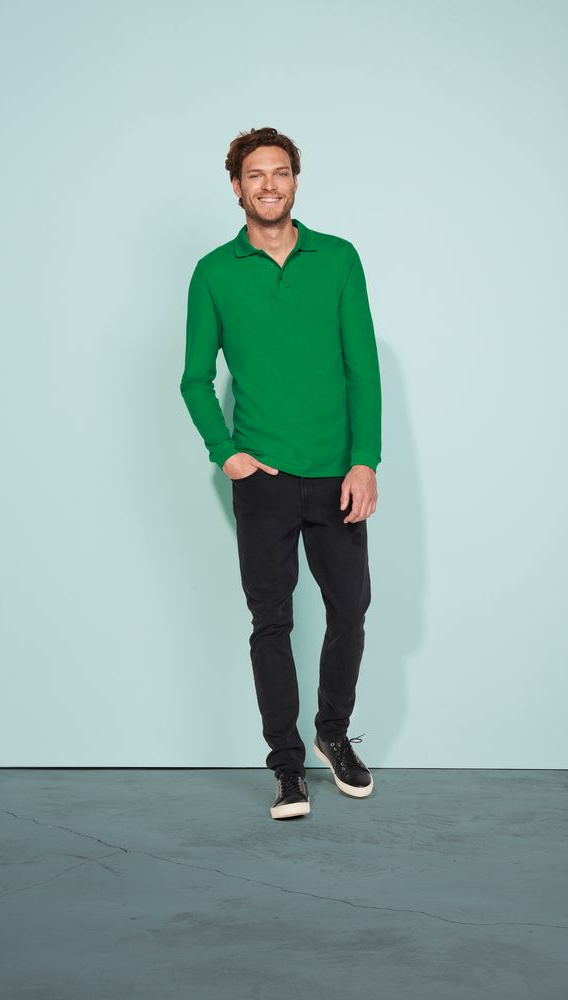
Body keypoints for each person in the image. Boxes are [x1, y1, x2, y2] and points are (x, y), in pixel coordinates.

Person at [180, 126, 382, 820]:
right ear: (236, 187)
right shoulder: (214, 272)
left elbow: (362, 369)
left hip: (335, 473)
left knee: (349, 609)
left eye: (281, 172)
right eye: (255, 175)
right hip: (261, 478)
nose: (269, 185)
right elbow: (193, 378)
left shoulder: (338, 258)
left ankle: (333, 733)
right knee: (271, 620)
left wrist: (364, 460)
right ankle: (286, 767)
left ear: (296, 180)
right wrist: (225, 451)